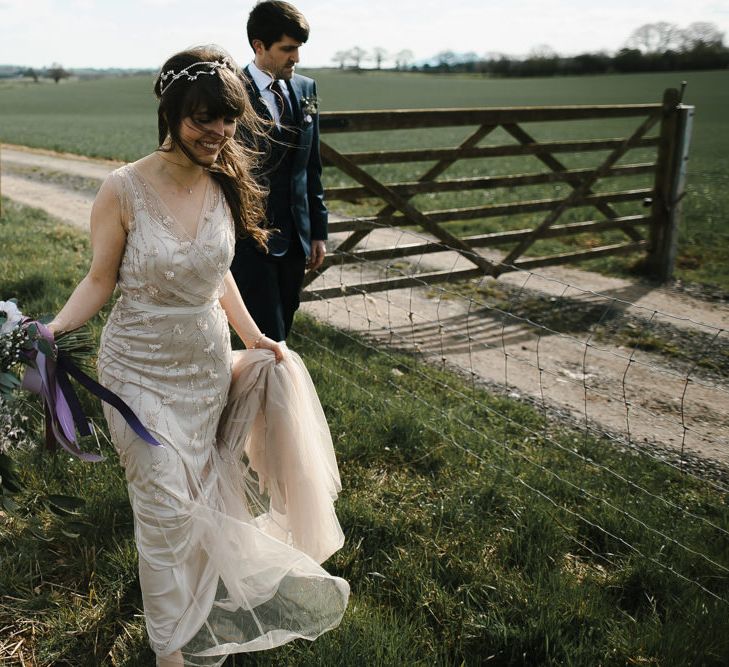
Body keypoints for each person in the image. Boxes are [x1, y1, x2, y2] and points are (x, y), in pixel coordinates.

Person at [47, 45, 348, 666]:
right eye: (202, 118)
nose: (218, 133)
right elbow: (100, 279)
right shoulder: (122, 189)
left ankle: (188, 597)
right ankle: (171, 649)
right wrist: (50, 332)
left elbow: (219, 276)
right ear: (171, 115)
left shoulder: (224, 183)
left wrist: (256, 337)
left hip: (205, 367)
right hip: (137, 369)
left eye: (228, 119)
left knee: (198, 499)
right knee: (162, 503)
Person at [231, 0, 327, 342]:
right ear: (259, 46)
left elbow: (311, 166)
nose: (296, 58)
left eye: (298, 48)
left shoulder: (306, 89)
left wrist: (317, 231)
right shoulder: (230, 91)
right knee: (266, 338)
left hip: (297, 238)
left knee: (284, 325)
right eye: (288, 49)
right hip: (248, 239)